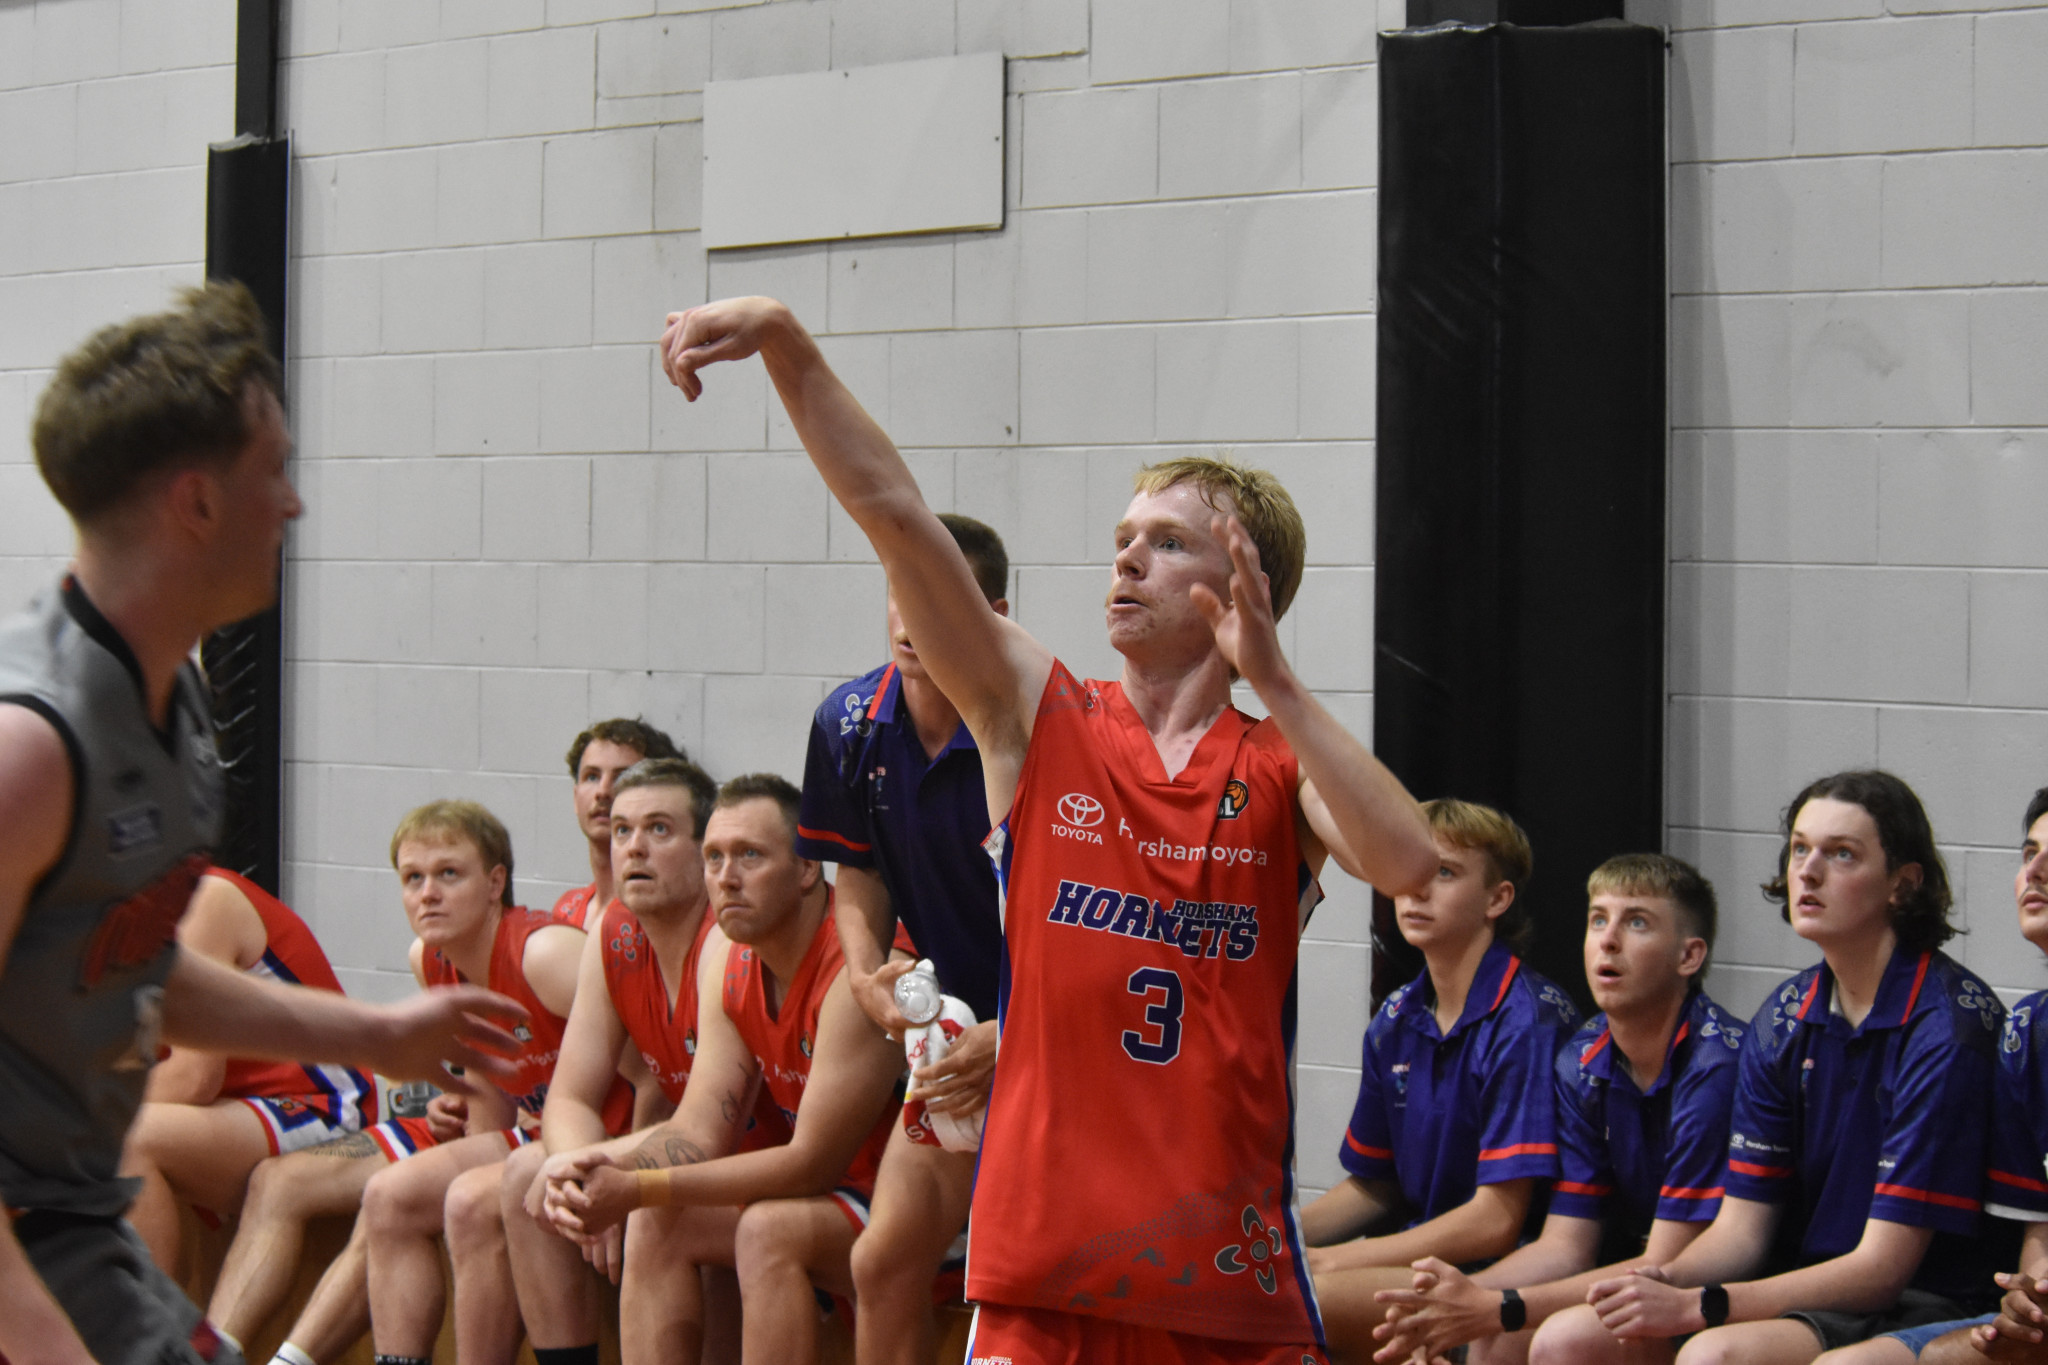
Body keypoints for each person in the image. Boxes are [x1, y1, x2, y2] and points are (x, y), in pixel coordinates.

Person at [656, 297, 1438, 1363]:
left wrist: (1281, 683)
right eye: (1122, 540)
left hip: (1216, 1264)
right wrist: (790, 347)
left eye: (1165, 544)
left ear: (1242, 582)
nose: (1124, 562)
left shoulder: (1278, 763)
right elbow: (894, 514)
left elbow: (1409, 868)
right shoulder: (1039, 715)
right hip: (1045, 1259)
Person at [0, 281, 523, 1365]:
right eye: (272, 469)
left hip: (66, 1219)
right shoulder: (30, 750)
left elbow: (122, 960)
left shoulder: (175, 707)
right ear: (195, 502)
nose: (292, 503)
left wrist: (375, 1034)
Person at [1530, 770, 2010, 1365]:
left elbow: (1882, 1272)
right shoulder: (1783, 1016)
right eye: (1801, 849)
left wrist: (1701, 1306)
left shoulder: (1946, 1029)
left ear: (1902, 885)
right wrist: (1659, 1276)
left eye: (1841, 854)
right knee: (1565, 1339)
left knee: (1714, 1354)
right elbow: (1741, 1232)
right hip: (1807, 1282)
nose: (1807, 871)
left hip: (1926, 1299)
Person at [544, 774, 906, 1365]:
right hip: (837, 1199)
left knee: (767, 1231)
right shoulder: (735, 962)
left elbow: (810, 1164)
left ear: (809, 869)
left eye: (749, 856)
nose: (725, 877)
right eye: (713, 857)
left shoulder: (857, 967)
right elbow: (698, 1133)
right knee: (659, 1221)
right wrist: (595, 1167)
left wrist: (632, 1185)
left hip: (923, 1210)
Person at [208, 802, 582, 1365]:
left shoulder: (544, 952)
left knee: (466, 1198)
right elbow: (492, 1099)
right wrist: (461, 1118)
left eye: (448, 874)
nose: (427, 893)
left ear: (495, 882)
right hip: (533, 1133)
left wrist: (603, 1159)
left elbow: (645, 1065)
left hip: (602, 1135)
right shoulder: (431, 959)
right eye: (413, 878)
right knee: (391, 1194)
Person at [1371, 853, 1742, 1365]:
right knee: (1489, 1332)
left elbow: (1666, 1262)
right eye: (1598, 919)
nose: (1608, 940)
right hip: (1635, 1270)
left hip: (1718, 1286)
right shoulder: (1582, 1060)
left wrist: (1497, 1307)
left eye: (1637, 922)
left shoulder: (1716, 1065)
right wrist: (1460, 1302)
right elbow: (1567, 1246)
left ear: (1689, 957)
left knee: (1557, 1337)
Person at [797, 512, 1008, 1365]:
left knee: (1030, 1272)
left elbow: (1090, 917)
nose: (912, 616)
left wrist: (1021, 1027)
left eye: (938, 596)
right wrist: (860, 970)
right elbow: (860, 871)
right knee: (881, 1260)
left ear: (992, 612)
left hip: (1058, 1041)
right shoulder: (847, 721)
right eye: (899, 590)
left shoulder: (1033, 730)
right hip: (956, 1042)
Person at [493, 755, 760, 1365]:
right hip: (707, 1172)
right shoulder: (616, 929)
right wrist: (577, 1171)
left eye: (659, 830)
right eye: (621, 831)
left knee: (648, 1210)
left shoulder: (727, 944)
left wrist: (611, 1179)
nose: (634, 848)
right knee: (525, 1177)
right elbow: (568, 1098)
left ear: (703, 851)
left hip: (773, 1168)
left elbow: (705, 1139)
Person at [1302, 800, 1581, 1363]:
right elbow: (1374, 1184)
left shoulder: (1528, 1018)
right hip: (1422, 1258)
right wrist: (1273, 1231)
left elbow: (1496, 1221)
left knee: (1303, 1296)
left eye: (1445, 872)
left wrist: (1335, 1260)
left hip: (1503, 1273)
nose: (1416, 888)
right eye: (1407, 870)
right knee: (1247, 1280)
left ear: (1497, 899)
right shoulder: (1398, 1015)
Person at [1811, 786, 2048, 1365]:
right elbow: (2037, 1238)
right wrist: (2030, 1304)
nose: (2035, 871)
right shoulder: (2029, 1030)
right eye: (2028, 854)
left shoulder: (1950, 1023)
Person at [119, 869, 377, 1276]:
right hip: (236, 1107)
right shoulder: (90, 925)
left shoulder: (200, 900)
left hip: (321, 1105)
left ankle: (150, 1334)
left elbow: (193, 1079)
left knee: (124, 1138)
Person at [551, 718, 686, 927]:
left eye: (622, 777)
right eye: (592, 777)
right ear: (575, 796)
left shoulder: (662, 913)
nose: (603, 792)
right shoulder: (567, 909)